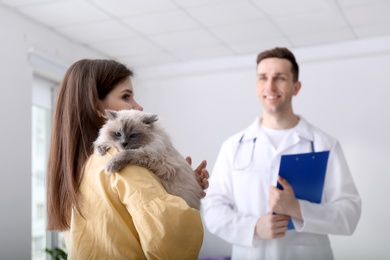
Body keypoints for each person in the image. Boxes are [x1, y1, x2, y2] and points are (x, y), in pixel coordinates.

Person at [201, 47, 361, 260]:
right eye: (263, 78)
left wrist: (298, 209)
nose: (270, 86)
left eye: (280, 78)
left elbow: (349, 213)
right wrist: (253, 227)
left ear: (296, 87)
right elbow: (212, 208)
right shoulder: (234, 146)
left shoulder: (324, 145)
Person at [46, 59, 209, 259]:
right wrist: (180, 202)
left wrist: (177, 182)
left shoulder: (79, 166)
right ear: (98, 107)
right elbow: (171, 240)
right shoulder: (122, 160)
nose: (138, 107)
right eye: (126, 96)